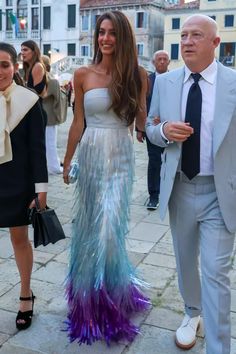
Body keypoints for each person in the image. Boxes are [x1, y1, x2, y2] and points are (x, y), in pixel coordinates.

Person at [146, 14, 236, 354]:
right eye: (183, 35)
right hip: (180, 188)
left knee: (215, 273)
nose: (186, 41)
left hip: (220, 191)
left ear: (215, 43)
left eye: (196, 35)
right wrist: (164, 130)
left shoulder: (233, 82)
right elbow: (150, 130)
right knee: (185, 261)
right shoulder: (166, 82)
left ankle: (218, 348)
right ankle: (191, 313)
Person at [63, 10, 150, 345]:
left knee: (109, 230)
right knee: (89, 227)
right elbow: (77, 123)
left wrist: (158, 129)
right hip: (90, 154)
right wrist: (68, 159)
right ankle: (87, 302)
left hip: (120, 156)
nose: (105, 38)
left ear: (123, 37)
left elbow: (141, 121)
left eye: (112, 33)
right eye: (101, 32)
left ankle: (110, 300)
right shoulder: (83, 73)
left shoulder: (137, 74)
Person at [0, 42, 48, 330]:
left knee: (19, 239)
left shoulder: (29, 100)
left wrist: (40, 187)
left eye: (4, 65)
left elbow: (37, 149)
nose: (0, 71)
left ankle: (25, 295)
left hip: (18, 182)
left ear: (15, 66)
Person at [145, 50, 170, 210]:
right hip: (152, 128)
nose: (161, 61)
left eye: (164, 59)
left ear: (168, 62)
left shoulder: (175, 79)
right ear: (154, 63)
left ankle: (169, 192)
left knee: (170, 161)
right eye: (158, 59)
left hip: (170, 128)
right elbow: (141, 104)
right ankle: (153, 195)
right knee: (154, 161)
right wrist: (141, 129)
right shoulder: (147, 81)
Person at [41, 55, 68, 174]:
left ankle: (52, 164)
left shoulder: (44, 79)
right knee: (51, 143)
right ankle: (54, 167)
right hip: (50, 117)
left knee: (48, 143)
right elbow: (59, 98)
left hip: (44, 116)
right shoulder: (51, 79)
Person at [21, 40, 47, 123]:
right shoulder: (30, 67)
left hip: (36, 113)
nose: (22, 53)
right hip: (32, 111)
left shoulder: (37, 66)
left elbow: (37, 92)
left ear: (34, 52)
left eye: (25, 50)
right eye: (21, 50)